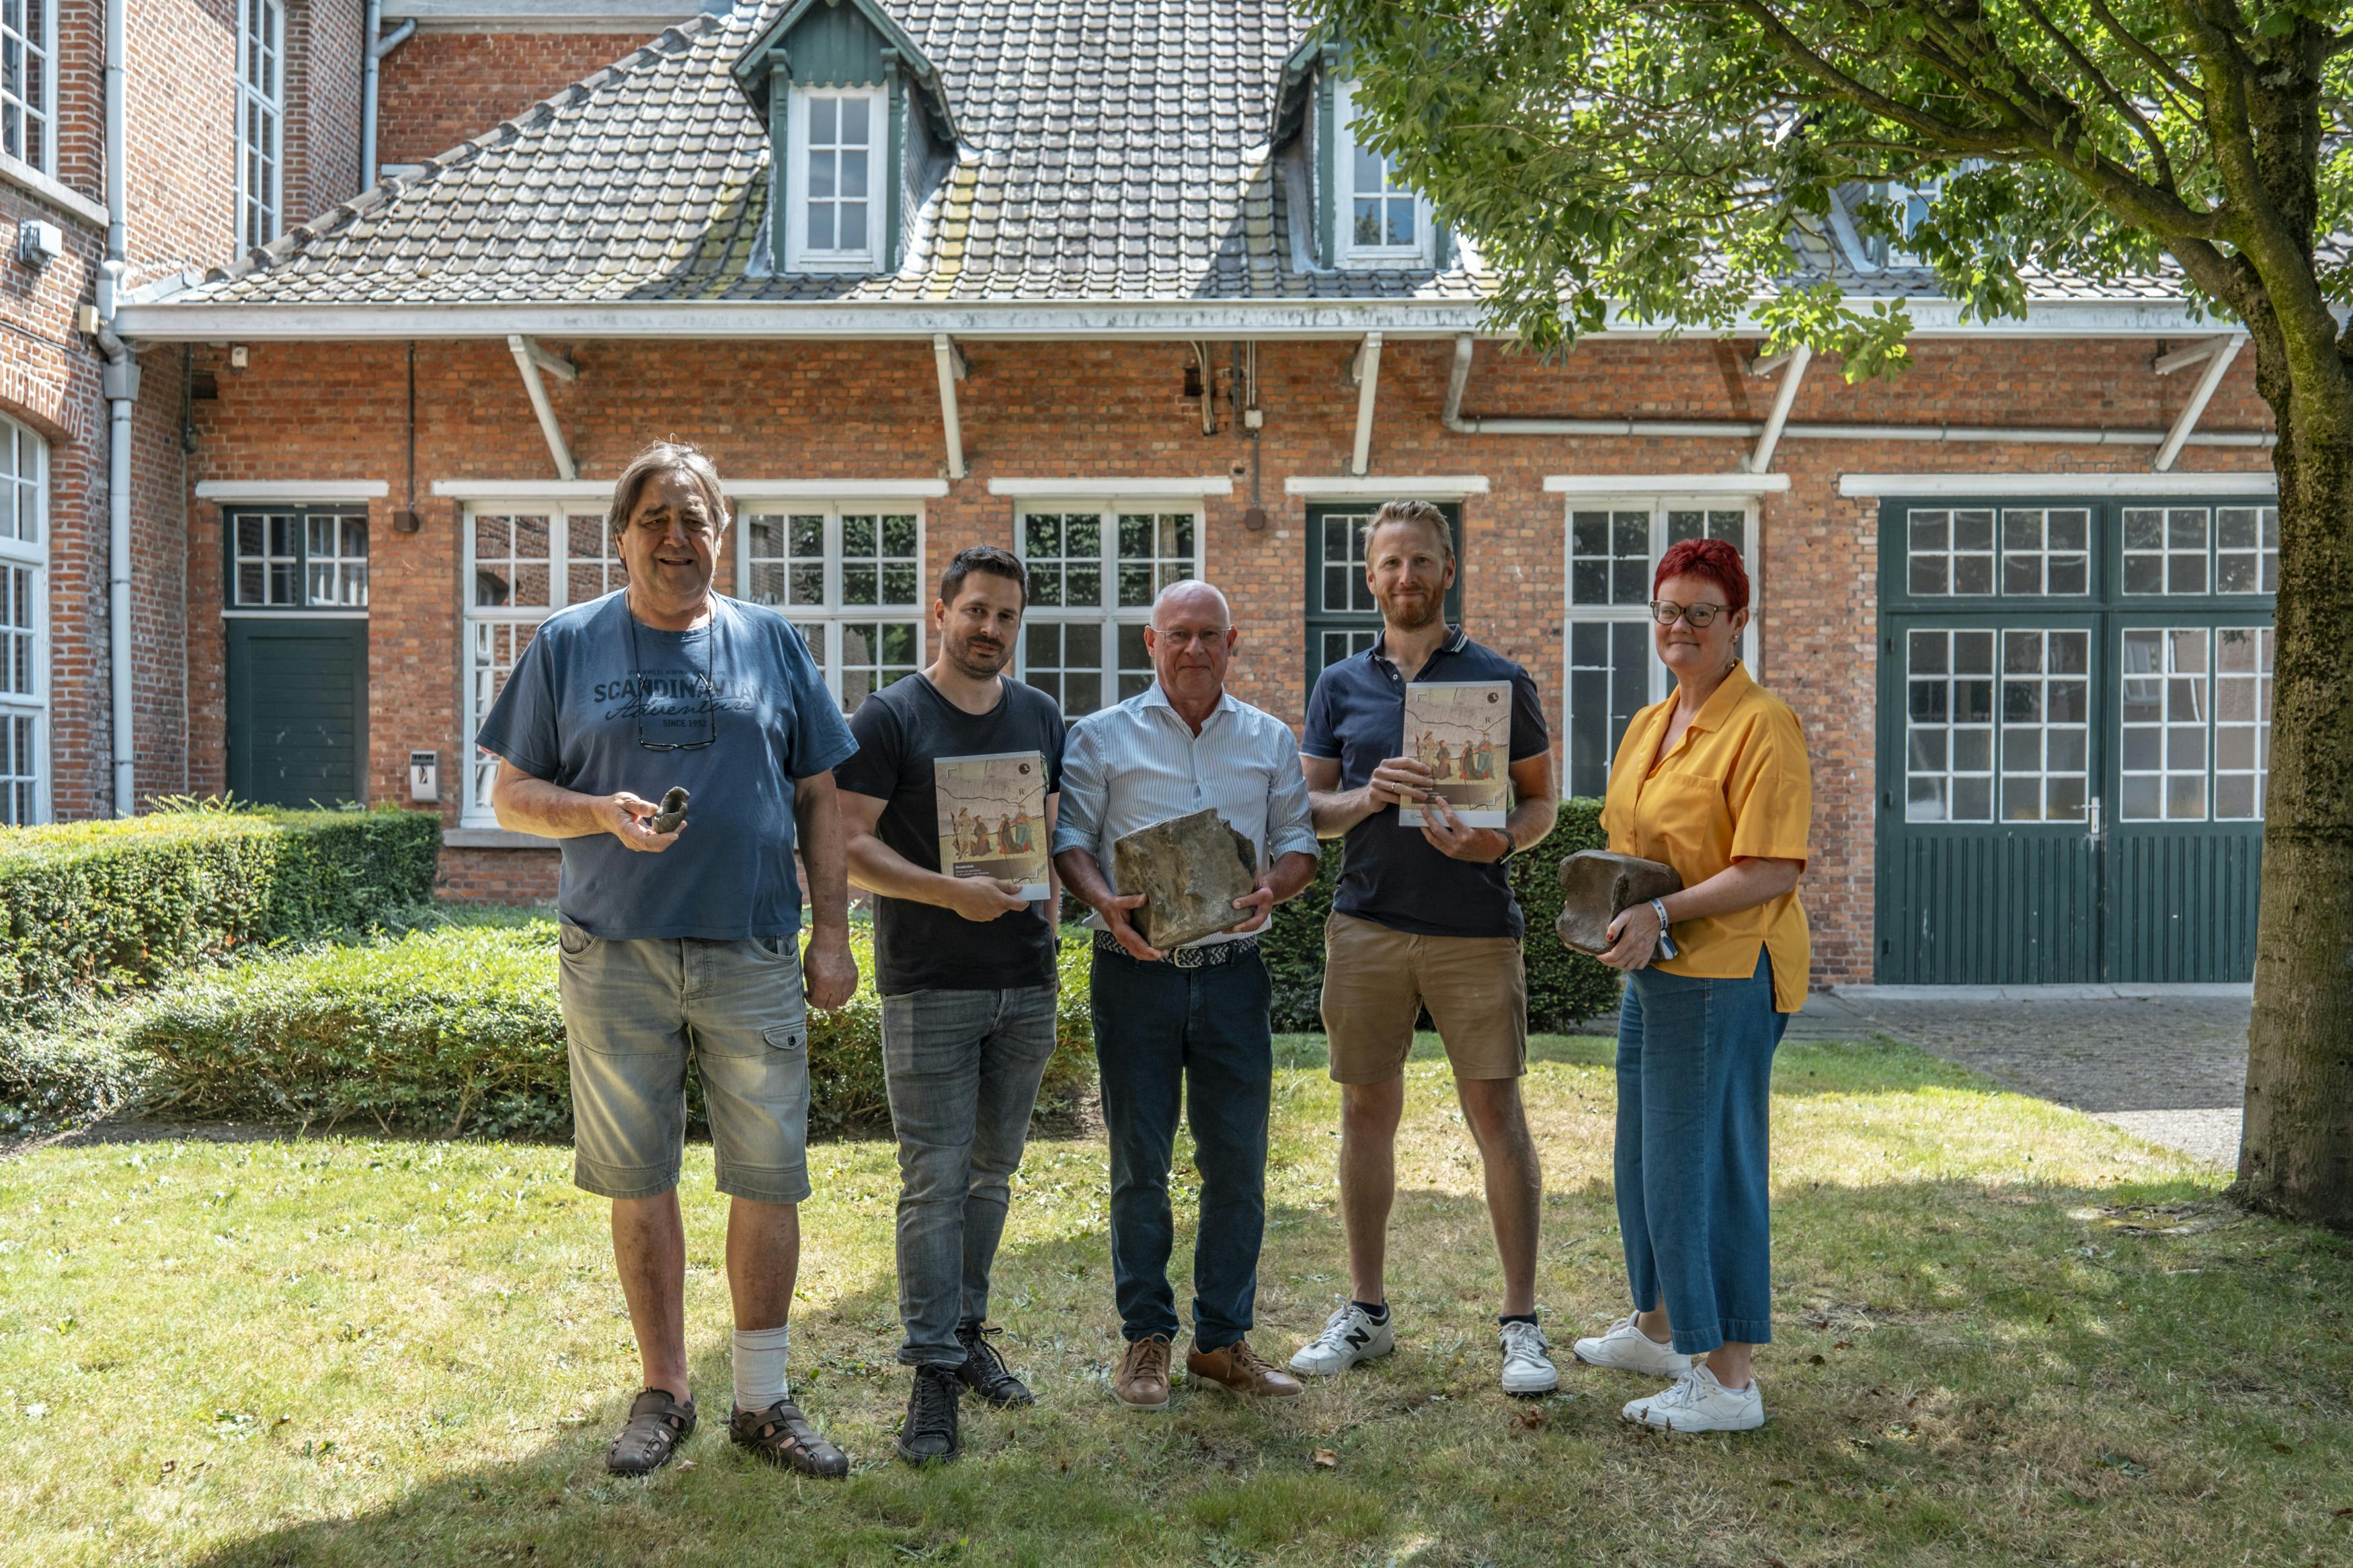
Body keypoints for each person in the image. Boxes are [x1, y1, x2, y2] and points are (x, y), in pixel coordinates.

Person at [477, 441, 859, 1479]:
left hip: (753, 944)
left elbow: (823, 795)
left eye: (696, 519)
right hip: (615, 953)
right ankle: (665, 1388)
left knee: (768, 1171)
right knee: (639, 1176)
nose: (677, 539)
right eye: (656, 519)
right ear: (621, 534)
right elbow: (507, 794)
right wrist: (597, 811)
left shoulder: (772, 643)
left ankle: (762, 1397)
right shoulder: (567, 643)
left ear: (722, 534)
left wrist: (835, 932)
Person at [1291, 499, 1561, 1395]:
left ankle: (1521, 1324)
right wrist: (1370, 795)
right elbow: (1309, 814)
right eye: (1389, 563)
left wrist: (1501, 843)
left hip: (1475, 930)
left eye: (1421, 561)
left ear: (1448, 572)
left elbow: (1538, 807)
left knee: (1497, 1119)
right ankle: (1365, 1311)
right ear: (1369, 578)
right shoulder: (1338, 686)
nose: (1405, 577)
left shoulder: (1499, 680)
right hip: (1366, 924)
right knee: (1366, 1116)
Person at [1052, 580, 1321, 1411]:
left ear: (1232, 643)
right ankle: (1145, 1337)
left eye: (1209, 635)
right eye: (1179, 635)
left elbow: (1300, 845)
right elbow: (1069, 844)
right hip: (1132, 974)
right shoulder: (1099, 738)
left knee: (1236, 1166)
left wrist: (1274, 884)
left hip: (1233, 978)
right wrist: (1103, 901)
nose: (1194, 649)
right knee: (1140, 1164)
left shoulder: (1270, 739)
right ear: (1150, 643)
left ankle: (1219, 1340)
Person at [1571, 535, 1810, 1434]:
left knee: (1706, 1171)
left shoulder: (1762, 724)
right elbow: (1634, 849)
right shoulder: (1651, 722)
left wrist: (1664, 917)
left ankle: (1730, 1379)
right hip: (1659, 976)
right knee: (1645, 1163)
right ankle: (1663, 1328)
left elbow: (1771, 869)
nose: (1680, 627)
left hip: (1726, 972)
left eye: (1700, 613)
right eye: (1667, 611)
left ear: (1738, 621)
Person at [835, 545, 1068, 1466]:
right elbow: (849, 844)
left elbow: (1045, 832)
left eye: (1008, 616)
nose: (991, 631)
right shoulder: (890, 716)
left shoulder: (1042, 714)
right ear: (943, 610)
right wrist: (947, 891)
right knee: (933, 1178)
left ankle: (967, 1334)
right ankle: (932, 1371)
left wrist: (1047, 899)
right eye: (977, 611)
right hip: (930, 979)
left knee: (991, 1174)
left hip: (1026, 978)